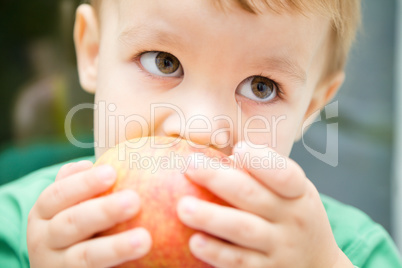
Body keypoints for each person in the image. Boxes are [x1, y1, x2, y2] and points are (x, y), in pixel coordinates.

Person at [0, 0, 401, 267]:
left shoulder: (349, 250)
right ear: (93, 51)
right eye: (164, 61)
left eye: (260, 86)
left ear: (312, 106)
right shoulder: (17, 230)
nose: (200, 128)